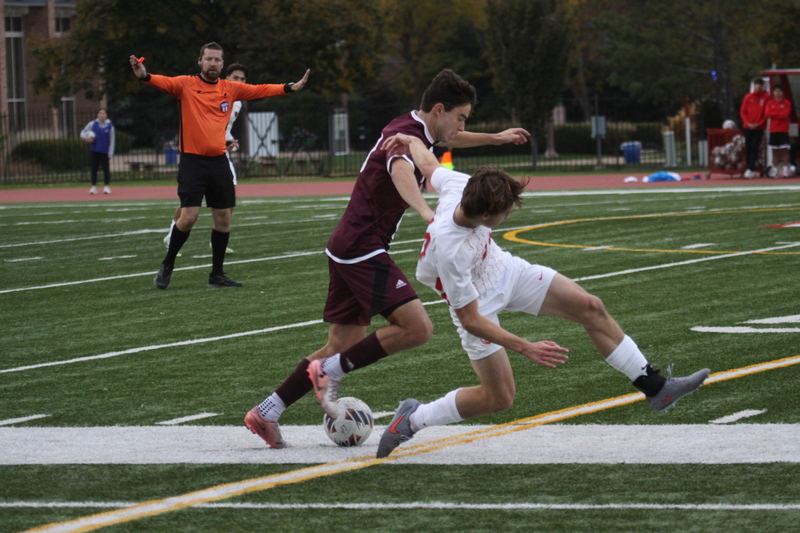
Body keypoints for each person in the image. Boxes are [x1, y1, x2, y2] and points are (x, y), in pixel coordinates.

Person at [374, 133, 711, 459]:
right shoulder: (452, 249)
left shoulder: (461, 187)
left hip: (507, 270)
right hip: (479, 304)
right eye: (505, 213)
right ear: (487, 216)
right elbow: (471, 319)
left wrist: (412, 140)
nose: (508, 217)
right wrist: (525, 346)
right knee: (499, 397)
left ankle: (655, 388)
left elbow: (431, 166)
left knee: (590, 307)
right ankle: (413, 419)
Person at [244, 69, 530, 449]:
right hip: (363, 247)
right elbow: (400, 172)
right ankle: (326, 373)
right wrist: (429, 215)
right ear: (440, 109)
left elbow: (450, 138)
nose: (461, 127)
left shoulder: (415, 128)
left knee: (340, 345)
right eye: (460, 117)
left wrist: (495, 138)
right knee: (418, 329)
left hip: (345, 246)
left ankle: (266, 411)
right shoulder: (407, 140)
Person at [130, 43, 310, 289]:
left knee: (223, 218)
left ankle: (217, 275)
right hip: (192, 162)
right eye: (208, 59)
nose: (212, 63)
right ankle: (168, 264)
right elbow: (161, 81)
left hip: (219, 162)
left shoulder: (230, 88)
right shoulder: (186, 84)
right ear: (200, 61)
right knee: (188, 217)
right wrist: (145, 76)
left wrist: (290, 87)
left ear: (222, 64)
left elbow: (260, 90)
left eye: (217, 59)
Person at [162, 62, 249, 255]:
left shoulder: (239, 101)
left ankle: (218, 237)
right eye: (235, 78)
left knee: (229, 197)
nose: (239, 82)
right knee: (192, 202)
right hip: (199, 155)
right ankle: (172, 232)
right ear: (227, 79)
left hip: (220, 154)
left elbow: (222, 128)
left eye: (243, 79)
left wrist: (229, 141)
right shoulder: (218, 93)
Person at [739, 77, 769, 179]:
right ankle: (749, 167)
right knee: (749, 147)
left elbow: (766, 113)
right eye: (756, 84)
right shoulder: (748, 97)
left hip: (759, 127)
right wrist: (748, 123)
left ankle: (751, 168)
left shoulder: (766, 97)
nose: (758, 86)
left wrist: (759, 123)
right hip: (748, 127)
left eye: (760, 85)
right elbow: (743, 112)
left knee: (755, 147)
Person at [80, 109, 115, 194]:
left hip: (104, 151)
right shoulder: (92, 124)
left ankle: (106, 186)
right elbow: (83, 131)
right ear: (97, 115)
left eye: (103, 113)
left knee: (106, 169)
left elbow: (112, 140)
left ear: (106, 115)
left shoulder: (110, 126)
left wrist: (110, 153)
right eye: (100, 113)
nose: (102, 115)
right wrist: (85, 138)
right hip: (94, 150)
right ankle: (93, 186)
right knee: (94, 169)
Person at [765, 84, 793, 178]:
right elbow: (768, 113)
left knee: (784, 151)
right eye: (776, 91)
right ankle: (775, 170)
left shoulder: (786, 103)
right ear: (773, 92)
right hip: (773, 130)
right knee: (774, 152)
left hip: (783, 130)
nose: (778, 93)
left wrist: (775, 114)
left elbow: (785, 114)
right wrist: (778, 113)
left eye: (779, 91)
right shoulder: (770, 103)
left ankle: (785, 170)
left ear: (783, 92)